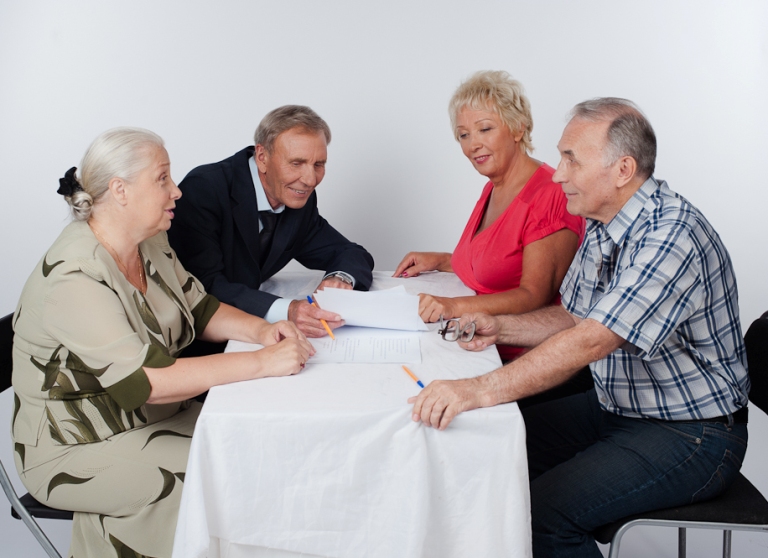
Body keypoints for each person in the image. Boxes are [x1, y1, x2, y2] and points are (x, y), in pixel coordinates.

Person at [408, 99, 749, 557]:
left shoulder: (672, 235)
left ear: (622, 169)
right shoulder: (602, 221)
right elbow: (574, 317)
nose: (557, 173)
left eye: (572, 159)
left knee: (545, 518)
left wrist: (476, 390)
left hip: (693, 434)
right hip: (619, 408)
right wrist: (500, 326)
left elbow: (592, 339)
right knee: (487, 449)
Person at [11, 128, 315, 558]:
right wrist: (264, 362)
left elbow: (201, 308)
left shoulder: (150, 241)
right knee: (211, 475)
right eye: (162, 179)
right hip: (77, 446)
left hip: (149, 418)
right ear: (120, 190)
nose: (176, 191)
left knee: (259, 442)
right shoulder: (74, 277)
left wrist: (262, 331)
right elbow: (148, 382)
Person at [393, 71, 585, 361]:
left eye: (485, 129)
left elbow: (534, 295)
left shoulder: (548, 195)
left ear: (518, 128)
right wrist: (444, 261)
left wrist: (452, 306)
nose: (473, 145)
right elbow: (500, 263)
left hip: (520, 357)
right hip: (476, 343)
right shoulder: (494, 186)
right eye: (464, 135)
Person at [168, 105, 374, 339]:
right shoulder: (204, 189)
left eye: (319, 164)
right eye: (296, 163)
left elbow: (350, 252)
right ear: (263, 158)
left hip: (254, 335)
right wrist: (288, 310)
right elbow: (203, 287)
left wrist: (339, 278)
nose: (309, 180)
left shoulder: (295, 194)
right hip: (199, 341)